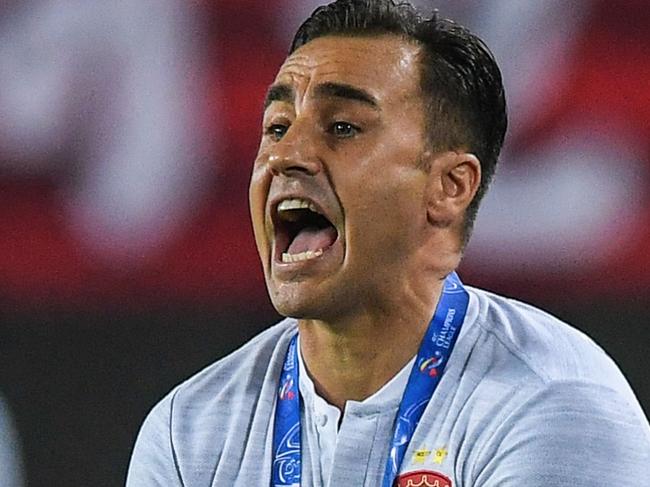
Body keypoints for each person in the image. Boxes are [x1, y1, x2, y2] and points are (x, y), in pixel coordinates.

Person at [126, 1, 650, 485]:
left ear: (449, 187)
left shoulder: (553, 405)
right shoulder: (189, 432)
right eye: (277, 127)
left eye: (343, 127)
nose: (286, 156)